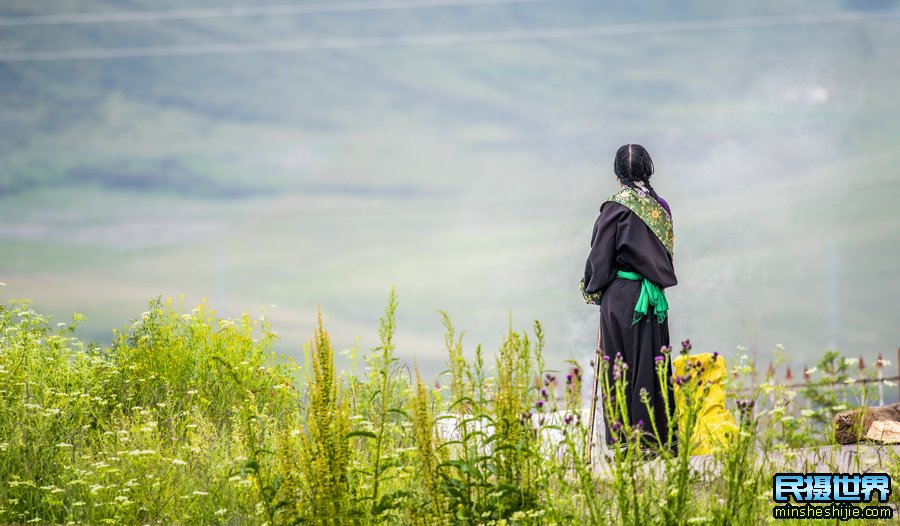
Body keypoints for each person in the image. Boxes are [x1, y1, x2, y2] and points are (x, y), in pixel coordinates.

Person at [581, 144, 677, 453]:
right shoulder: (660, 207)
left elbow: (600, 257)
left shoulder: (615, 208)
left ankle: (626, 443)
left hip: (622, 298)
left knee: (619, 365)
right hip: (652, 298)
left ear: (617, 173)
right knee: (653, 363)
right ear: (648, 170)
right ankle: (658, 439)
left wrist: (593, 289)